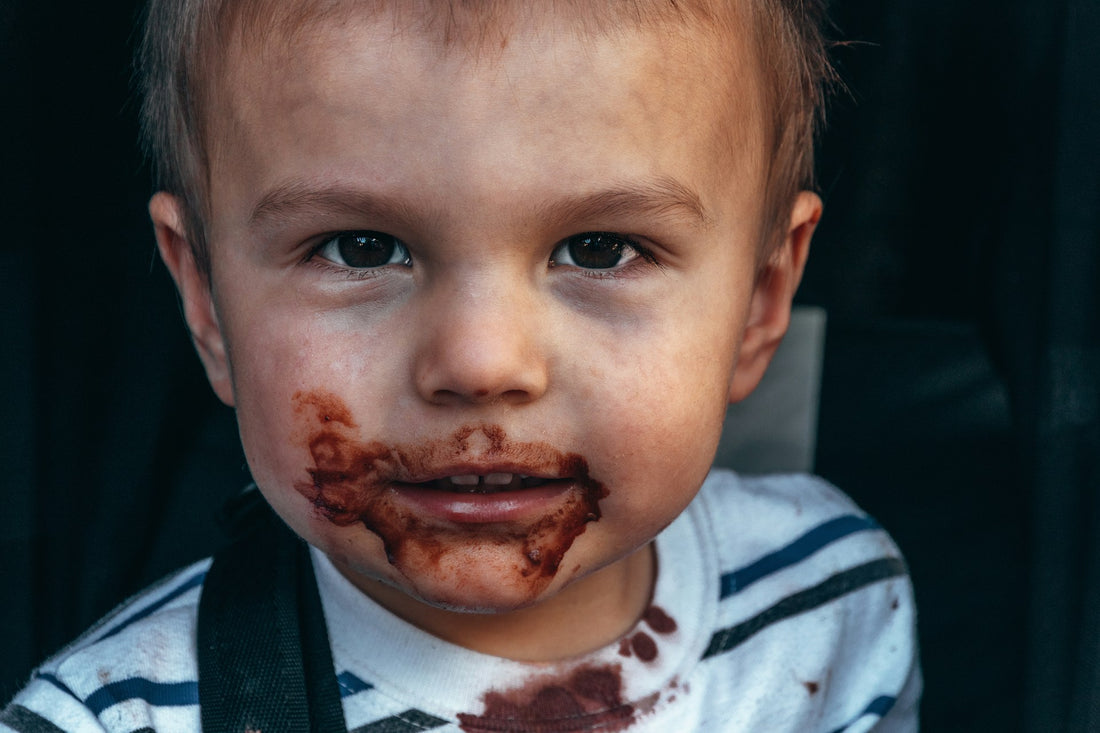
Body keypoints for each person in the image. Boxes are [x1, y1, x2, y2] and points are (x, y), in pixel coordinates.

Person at [0, 1, 920, 730]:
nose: (481, 365)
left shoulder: (834, 598)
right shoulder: (117, 716)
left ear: (761, 303)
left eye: (599, 250)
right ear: (206, 302)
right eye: (362, 248)